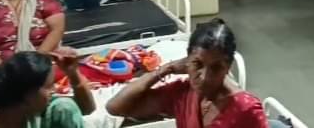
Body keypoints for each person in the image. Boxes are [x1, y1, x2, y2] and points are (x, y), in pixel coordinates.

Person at [107, 18, 269, 128]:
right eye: (197, 64)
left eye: (216, 68)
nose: (204, 77)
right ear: (186, 60)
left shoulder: (245, 108)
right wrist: (167, 68)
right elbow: (115, 107)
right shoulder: (184, 93)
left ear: (228, 66)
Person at [0, 49, 95, 128]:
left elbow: (86, 109)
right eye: (48, 86)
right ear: (28, 94)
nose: (53, 90)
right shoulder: (1, 120)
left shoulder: (48, 109)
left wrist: (73, 73)